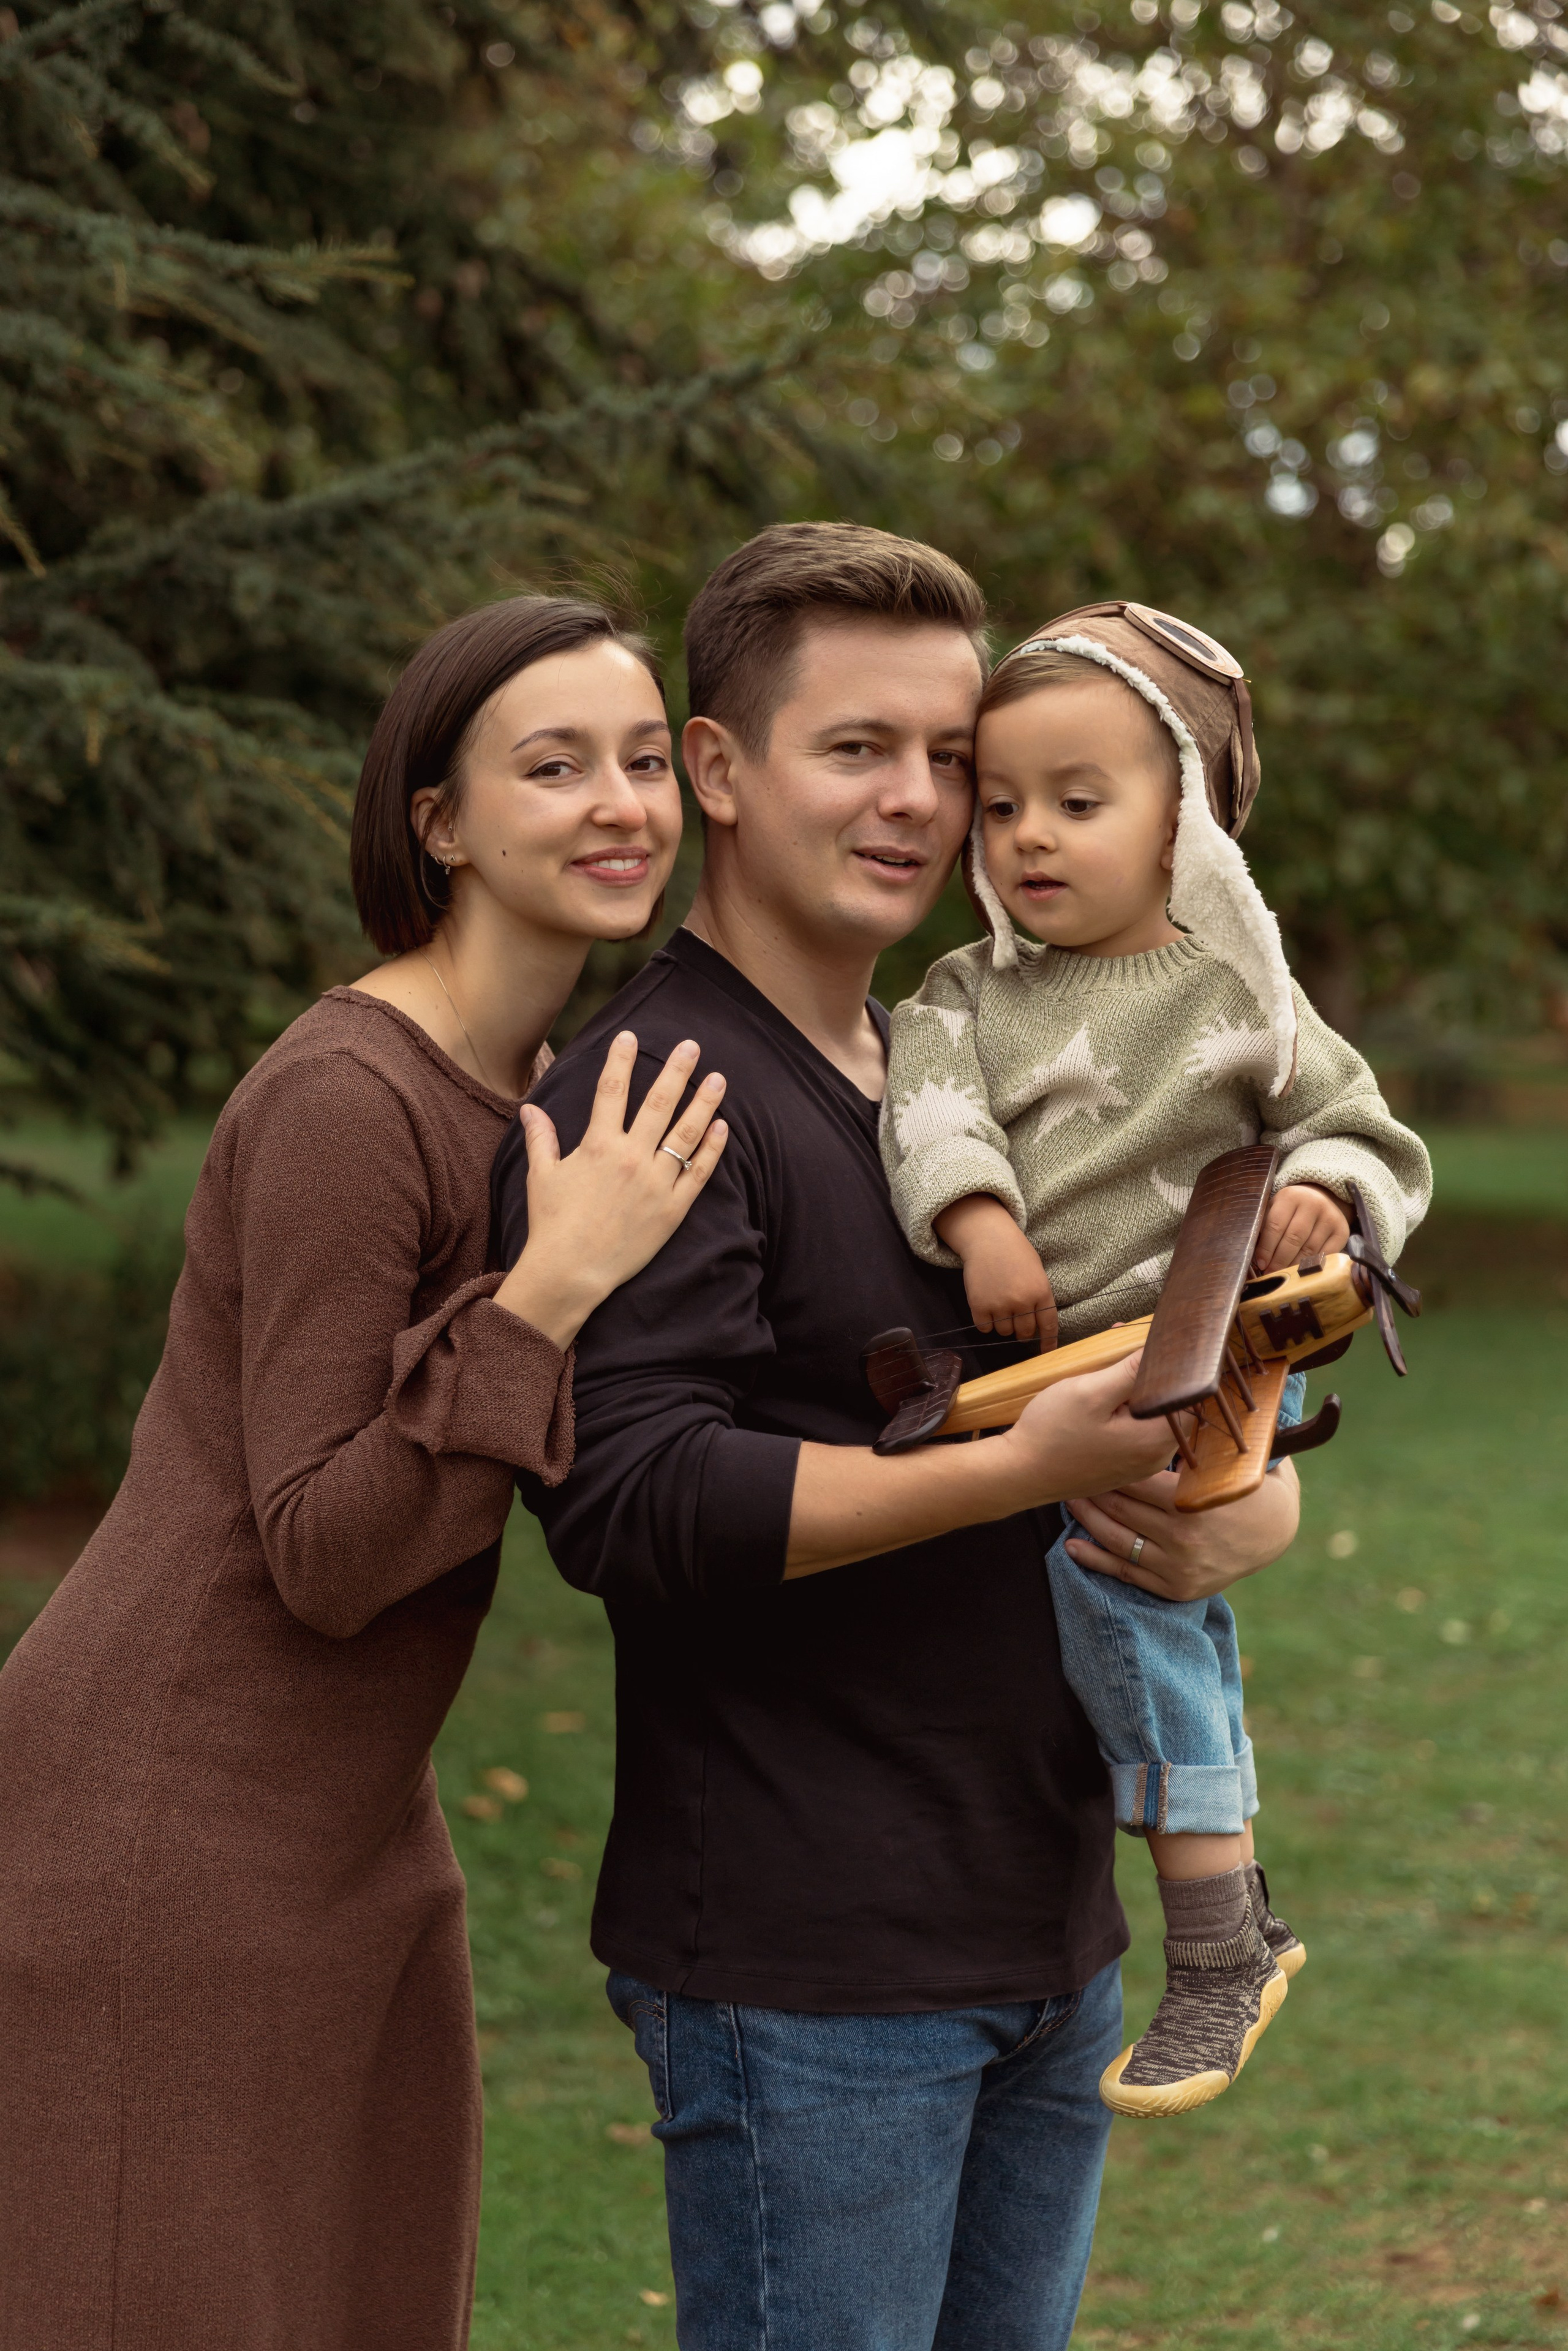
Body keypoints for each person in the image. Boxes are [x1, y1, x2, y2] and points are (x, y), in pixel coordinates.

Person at [491, 527, 1305, 2351]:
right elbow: (627, 1498)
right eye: (859, 746)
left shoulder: (962, 1066)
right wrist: (1031, 1468)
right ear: (719, 768)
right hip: (814, 1970)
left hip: (1048, 1922)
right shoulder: (658, 1090)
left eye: (953, 755)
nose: (924, 801)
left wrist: (1246, 1511)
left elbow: (1161, 1374)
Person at [0, 595, 729, 2351]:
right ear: (440, 818)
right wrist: (550, 1283)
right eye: (553, 766)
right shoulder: (348, 1095)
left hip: (352, 1821)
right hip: (164, 1824)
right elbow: (324, 1544)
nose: (621, 802)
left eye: (644, 759)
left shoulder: (542, 1091)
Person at [880, 602, 1432, 2119]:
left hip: (1219, 1333)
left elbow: (1362, 1127)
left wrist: (1325, 1187)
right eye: (996, 806)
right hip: (1073, 1353)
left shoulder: (1235, 996)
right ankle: (1224, 1921)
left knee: (1114, 1577)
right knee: (1113, 1577)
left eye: (1077, 801)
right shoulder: (964, 996)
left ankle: (1214, 1940)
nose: (1025, 838)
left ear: (1179, 818)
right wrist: (979, 1218)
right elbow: (927, 1109)